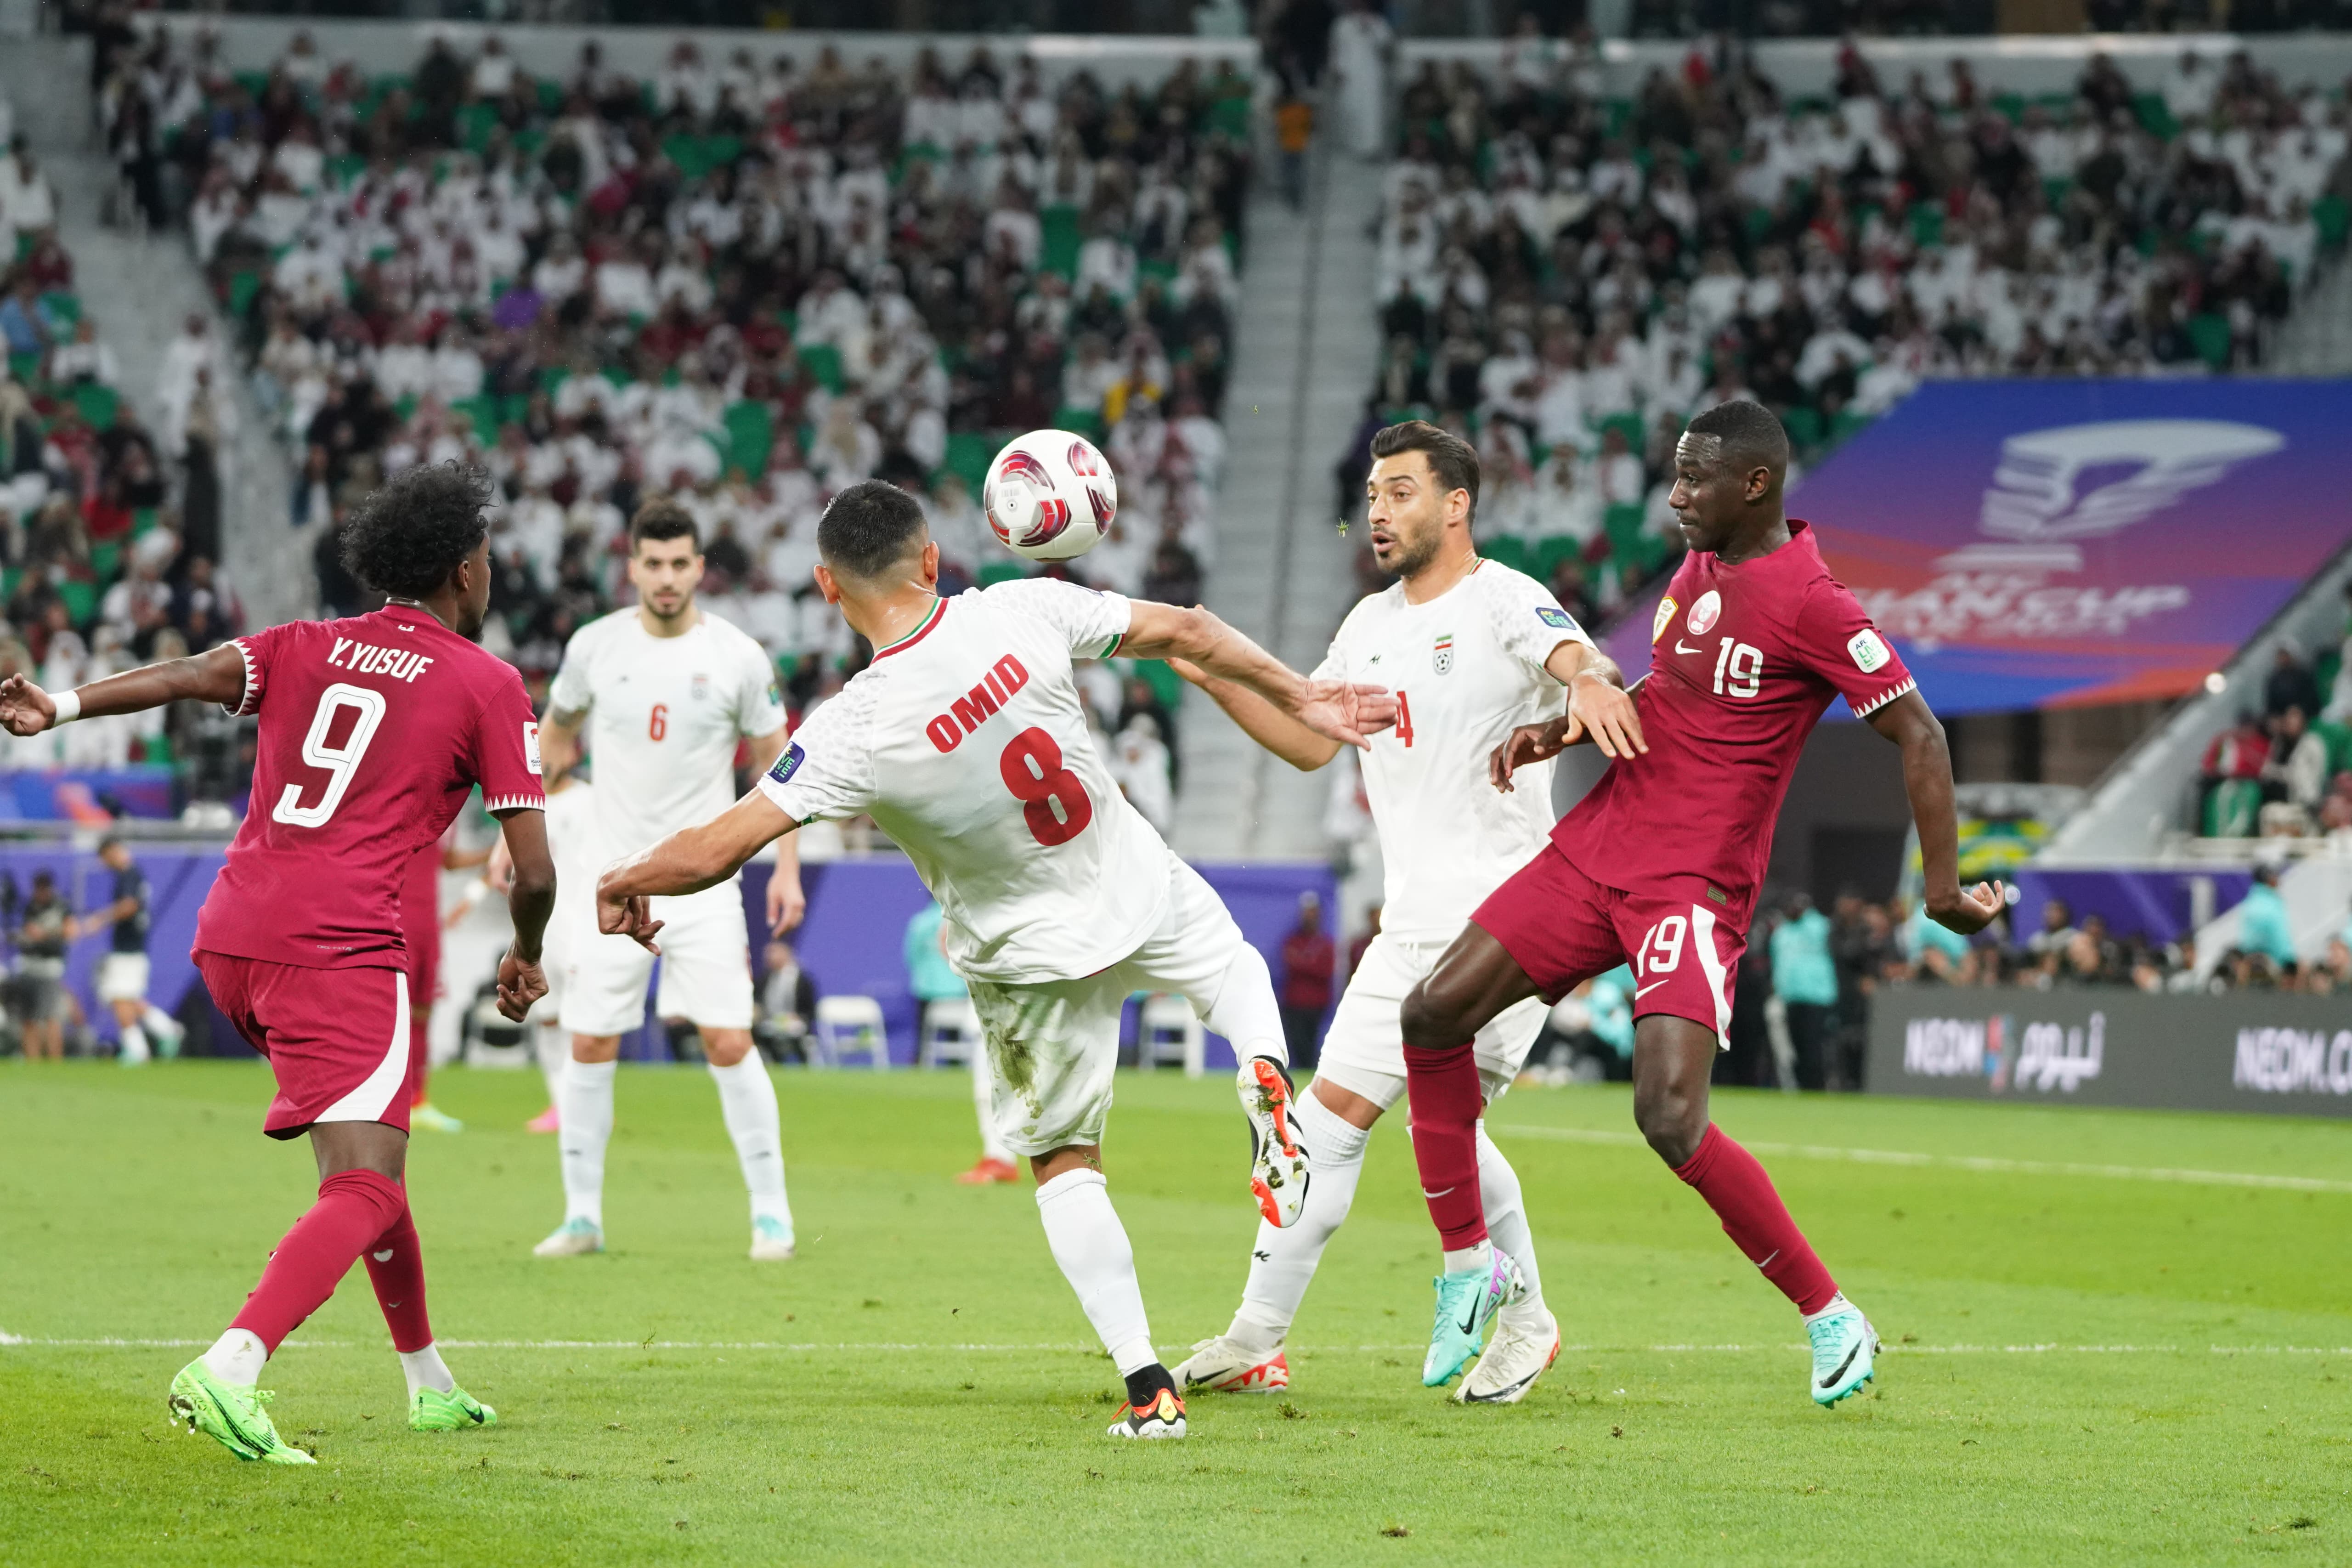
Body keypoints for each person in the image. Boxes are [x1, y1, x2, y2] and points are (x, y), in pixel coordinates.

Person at [592, 479, 1380, 1440]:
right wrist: (1303, 691)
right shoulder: (1021, 606)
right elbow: (1188, 628)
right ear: (931, 559)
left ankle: (1148, 1389)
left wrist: (626, 876)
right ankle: (1261, 1070)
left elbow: (721, 844)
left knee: (1063, 1160)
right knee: (1237, 973)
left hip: (1027, 954)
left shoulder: (850, 726)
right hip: (1129, 874)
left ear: (826, 589)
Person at [1392, 401, 2002, 1408]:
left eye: (1692, 479)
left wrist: (1939, 887)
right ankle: (1470, 1264)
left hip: (1692, 881)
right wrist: (1561, 732)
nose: (1672, 497)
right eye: (1674, 476)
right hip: (1600, 850)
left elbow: (1923, 734)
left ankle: (1829, 1313)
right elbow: (1669, 692)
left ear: (1752, 484)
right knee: (1431, 1012)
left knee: (1668, 1114)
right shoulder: (1698, 565)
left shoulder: (1815, 604)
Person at [0, 461, 556, 1464]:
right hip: (339, 946)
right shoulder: (489, 681)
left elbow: (188, 674)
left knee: (370, 1165)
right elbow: (535, 867)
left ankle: (427, 1378)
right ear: (462, 570)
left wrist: (63, 704)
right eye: (483, 556)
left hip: (231, 935)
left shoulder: (305, 643)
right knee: (369, 1185)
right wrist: (524, 954)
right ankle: (233, 1362)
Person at [1167, 418, 1634, 1404]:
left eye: (1401, 492)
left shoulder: (1502, 596)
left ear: (1456, 503)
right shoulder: (1367, 623)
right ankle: (1270, 1335)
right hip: (1409, 924)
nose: (1378, 511)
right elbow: (1307, 743)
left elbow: (1575, 654)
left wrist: (1590, 682)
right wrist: (1208, 677)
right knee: (1357, 1124)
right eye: (1373, 494)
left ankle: (1501, 1319)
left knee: (1394, 1120)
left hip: (1508, 918)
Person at [531, 500, 804, 1263]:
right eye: (653, 563)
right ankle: (582, 1216)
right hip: (611, 882)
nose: (666, 577)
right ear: (632, 566)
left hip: (705, 882)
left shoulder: (738, 657)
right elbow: (555, 736)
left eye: (680, 563)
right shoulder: (594, 647)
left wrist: (784, 866)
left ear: (699, 568)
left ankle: (772, 1215)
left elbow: (776, 766)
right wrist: (518, 831)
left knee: (727, 1037)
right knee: (589, 1039)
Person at [484, 769, 597, 1132]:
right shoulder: (529, 803)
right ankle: (562, 1106)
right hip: (542, 929)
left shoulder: (590, 800)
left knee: (584, 1022)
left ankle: (585, 1106)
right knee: (548, 1017)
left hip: (583, 926)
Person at [907, 897, 1009, 1185]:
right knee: (986, 1085)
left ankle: (1081, 1160)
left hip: (1029, 992)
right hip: (986, 996)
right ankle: (997, 1158)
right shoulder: (962, 902)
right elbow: (946, 945)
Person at [74, 834, 188, 1065]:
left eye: (106, 858)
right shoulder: (135, 874)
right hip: (134, 948)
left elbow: (129, 905)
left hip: (127, 949)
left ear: (113, 851)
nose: (106, 864)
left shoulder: (128, 874)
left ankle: (137, 1050)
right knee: (129, 999)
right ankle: (167, 1030)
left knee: (118, 999)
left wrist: (100, 919)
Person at [1767, 893, 1838, 1089]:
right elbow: (1778, 962)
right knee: (1795, 1045)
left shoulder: (1819, 926)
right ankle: (1801, 1085)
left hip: (1817, 996)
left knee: (1813, 1044)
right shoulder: (1782, 932)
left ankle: (1817, 1085)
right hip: (1790, 996)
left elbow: (1826, 937)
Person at [1276, 891, 1335, 1071]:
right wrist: (1309, 962)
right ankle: (1304, 1072)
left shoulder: (1325, 943)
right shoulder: (1293, 940)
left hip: (1317, 1003)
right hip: (1294, 1002)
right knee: (1296, 1041)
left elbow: (1325, 970)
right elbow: (1289, 963)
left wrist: (1303, 962)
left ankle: (1312, 1073)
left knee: (1312, 1041)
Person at [14, 870, 69, 1060]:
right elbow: (25, 931)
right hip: (29, 965)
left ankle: (55, 1060)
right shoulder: (30, 906)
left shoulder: (61, 906)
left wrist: (44, 934)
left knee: (51, 1016)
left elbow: (71, 932)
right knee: (28, 1017)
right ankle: (33, 1060)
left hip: (49, 967)